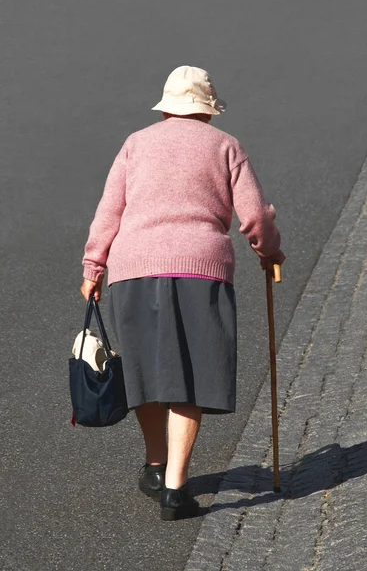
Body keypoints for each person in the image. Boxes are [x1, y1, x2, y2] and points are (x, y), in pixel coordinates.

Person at [80, 65, 285, 521]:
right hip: (201, 270)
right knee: (189, 377)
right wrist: (269, 253)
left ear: (167, 107)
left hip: (132, 269)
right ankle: (174, 486)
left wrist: (93, 266)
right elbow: (254, 216)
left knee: (143, 372)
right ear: (208, 110)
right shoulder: (226, 145)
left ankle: (156, 465)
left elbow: (108, 212)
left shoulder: (136, 143)